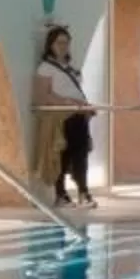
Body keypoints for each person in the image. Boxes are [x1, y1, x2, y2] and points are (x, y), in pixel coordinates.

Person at [33, 25, 95, 207]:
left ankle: (83, 191)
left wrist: (83, 106)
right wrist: (67, 102)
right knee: (63, 154)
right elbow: (43, 95)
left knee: (81, 153)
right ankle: (61, 194)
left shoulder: (70, 67)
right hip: (62, 117)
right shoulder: (45, 68)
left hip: (78, 114)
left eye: (66, 43)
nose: (63, 46)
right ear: (50, 44)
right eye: (59, 42)